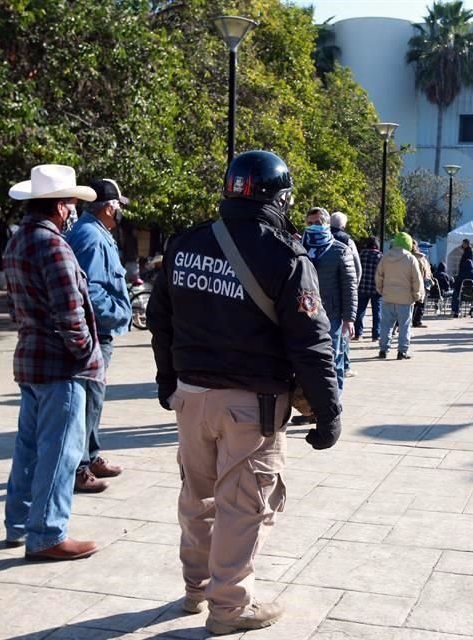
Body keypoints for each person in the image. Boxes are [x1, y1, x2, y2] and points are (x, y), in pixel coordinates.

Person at [147, 150, 341, 633]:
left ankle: (196, 588)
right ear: (279, 197)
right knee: (245, 504)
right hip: (251, 405)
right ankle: (229, 606)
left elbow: (160, 319)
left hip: (191, 396)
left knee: (198, 496)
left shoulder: (186, 243)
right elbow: (311, 341)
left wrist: (167, 380)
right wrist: (328, 409)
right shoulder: (284, 254)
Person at [3, 164, 103, 561]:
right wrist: (84, 352)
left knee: (28, 448)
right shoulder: (53, 245)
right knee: (60, 452)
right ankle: (46, 533)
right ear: (61, 206)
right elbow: (70, 311)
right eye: (71, 203)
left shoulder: (18, 241)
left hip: (31, 359)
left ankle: (19, 521)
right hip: (60, 366)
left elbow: (15, 306)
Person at [65, 179, 131, 493]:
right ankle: (79, 468)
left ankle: (90, 457)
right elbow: (89, 291)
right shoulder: (90, 236)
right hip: (95, 333)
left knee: (94, 400)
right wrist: (118, 313)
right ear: (108, 207)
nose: (121, 213)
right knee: (88, 401)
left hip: (99, 332)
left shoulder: (96, 232)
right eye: (119, 206)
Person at [302, 207, 357, 394]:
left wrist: (349, 318)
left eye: (317, 223)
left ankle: (333, 408)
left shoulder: (340, 250)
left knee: (333, 362)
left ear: (326, 224)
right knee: (310, 364)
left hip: (332, 316)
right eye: (310, 223)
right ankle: (312, 409)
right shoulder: (300, 248)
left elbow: (349, 287)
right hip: (305, 315)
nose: (313, 227)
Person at [375, 232, 424, 360]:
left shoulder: (385, 257)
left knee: (386, 325)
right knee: (404, 325)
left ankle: (383, 350)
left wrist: (380, 290)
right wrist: (417, 295)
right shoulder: (410, 259)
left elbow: (379, 276)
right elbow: (417, 279)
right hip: (405, 298)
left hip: (388, 296)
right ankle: (402, 351)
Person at [330, 211, 361, 377]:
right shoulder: (347, 240)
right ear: (344, 225)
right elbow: (356, 267)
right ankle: (345, 366)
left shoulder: (321, 237)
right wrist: (352, 289)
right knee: (343, 332)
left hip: (324, 294)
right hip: (342, 292)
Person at [355, 238, 382, 341]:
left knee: (360, 311)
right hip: (376, 288)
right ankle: (376, 334)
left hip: (362, 287)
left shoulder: (361, 255)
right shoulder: (380, 257)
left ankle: (358, 333)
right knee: (377, 313)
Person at [411, 240, 433, 328]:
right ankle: (417, 321)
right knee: (420, 303)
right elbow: (427, 271)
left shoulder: (406, 257)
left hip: (410, 281)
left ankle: (403, 322)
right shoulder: (421, 258)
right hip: (422, 282)